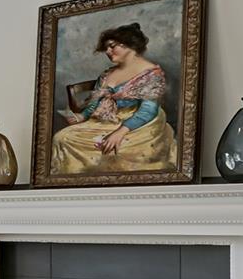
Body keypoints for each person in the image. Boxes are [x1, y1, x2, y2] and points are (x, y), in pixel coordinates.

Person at [50, 22, 176, 175]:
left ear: (129, 45)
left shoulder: (150, 74)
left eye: (112, 46)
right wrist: (82, 116)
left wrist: (120, 132)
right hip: (104, 119)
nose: (108, 51)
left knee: (114, 149)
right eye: (106, 48)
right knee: (61, 137)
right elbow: (96, 100)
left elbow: (148, 110)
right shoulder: (107, 73)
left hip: (137, 122)